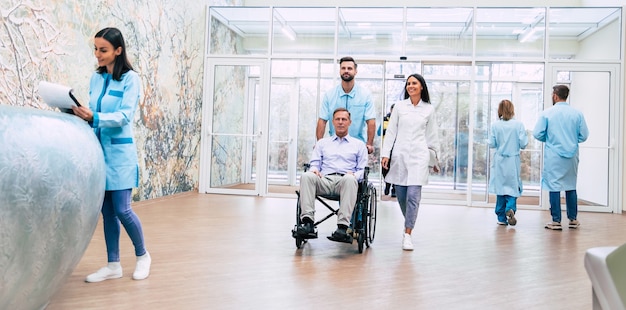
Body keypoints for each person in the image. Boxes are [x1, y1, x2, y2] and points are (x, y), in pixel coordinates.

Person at [72, 27, 151, 282]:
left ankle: (143, 256)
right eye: (95, 49)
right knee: (107, 213)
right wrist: (79, 114)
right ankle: (113, 265)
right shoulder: (96, 79)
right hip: (98, 154)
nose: (97, 54)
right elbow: (95, 114)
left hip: (120, 156)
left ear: (118, 50)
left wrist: (94, 116)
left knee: (123, 209)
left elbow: (124, 117)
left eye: (103, 50)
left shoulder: (130, 79)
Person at [381, 74, 440, 251]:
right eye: (408, 84)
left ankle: (408, 234)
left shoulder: (429, 109)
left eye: (414, 83)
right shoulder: (399, 106)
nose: (410, 86)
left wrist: (435, 160)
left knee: (414, 197)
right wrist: (386, 154)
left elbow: (432, 136)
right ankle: (410, 220)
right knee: (401, 196)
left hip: (419, 157)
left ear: (421, 86)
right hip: (399, 157)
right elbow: (391, 132)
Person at [297, 107, 368, 243]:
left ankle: (342, 228)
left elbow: (362, 170)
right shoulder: (322, 143)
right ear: (332, 122)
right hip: (325, 180)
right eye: (337, 119)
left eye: (344, 119)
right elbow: (315, 163)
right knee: (307, 176)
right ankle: (307, 223)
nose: (340, 122)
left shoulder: (359, 145)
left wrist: (353, 175)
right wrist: (314, 170)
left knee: (349, 179)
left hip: (346, 182)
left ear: (349, 122)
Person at [533, 85, 589, 230]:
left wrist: (550, 139)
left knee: (554, 186)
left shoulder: (547, 113)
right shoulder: (577, 114)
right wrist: (571, 139)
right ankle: (573, 219)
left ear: (555, 96)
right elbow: (584, 135)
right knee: (571, 186)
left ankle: (556, 221)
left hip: (554, 156)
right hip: (571, 156)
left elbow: (537, 134)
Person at [316, 56, 376, 154]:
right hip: (333, 146)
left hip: (357, 147)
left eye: (349, 68)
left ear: (355, 71)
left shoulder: (365, 95)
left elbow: (371, 122)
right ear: (339, 71)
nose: (346, 71)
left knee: (355, 170)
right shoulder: (329, 95)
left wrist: (369, 144)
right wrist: (319, 144)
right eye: (343, 68)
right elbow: (322, 121)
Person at [488, 100, 528, 226]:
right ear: (512, 109)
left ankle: (501, 217)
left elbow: (492, 144)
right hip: (512, 160)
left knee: (501, 188)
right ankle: (510, 209)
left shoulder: (495, 125)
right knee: (512, 187)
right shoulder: (518, 125)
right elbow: (523, 144)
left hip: (500, 160)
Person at [378, 104, 396, 197]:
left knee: (396, 168)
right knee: (385, 168)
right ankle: (387, 183)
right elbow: (379, 132)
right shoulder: (385, 120)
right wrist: (387, 131)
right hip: (386, 148)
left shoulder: (401, 120)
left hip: (397, 148)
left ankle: (394, 188)